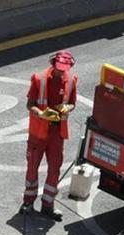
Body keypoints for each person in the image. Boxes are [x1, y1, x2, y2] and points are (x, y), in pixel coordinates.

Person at [20, 50, 78, 222]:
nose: (61, 73)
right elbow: (30, 104)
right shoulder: (39, 79)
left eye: (64, 70)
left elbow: (72, 103)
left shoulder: (71, 81)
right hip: (38, 132)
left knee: (54, 169)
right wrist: (41, 114)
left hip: (56, 134)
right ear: (53, 64)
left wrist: (67, 108)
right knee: (32, 167)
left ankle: (48, 204)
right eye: (59, 69)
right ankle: (28, 202)